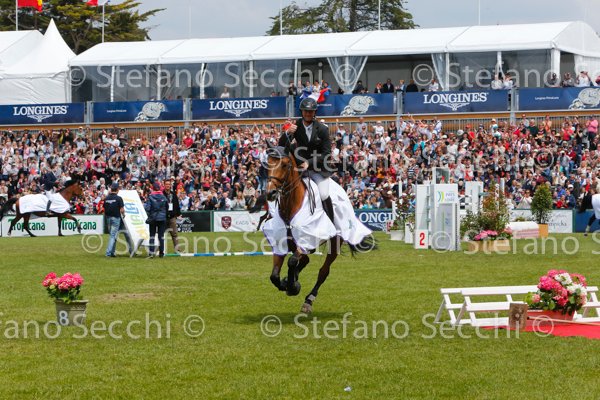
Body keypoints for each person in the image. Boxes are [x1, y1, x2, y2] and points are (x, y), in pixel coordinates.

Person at [279, 97, 334, 221]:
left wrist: (308, 162)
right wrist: (287, 133)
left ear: (314, 112)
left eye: (310, 111)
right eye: (305, 111)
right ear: (302, 112)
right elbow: (281, 146)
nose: (308, 113)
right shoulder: (295, 126)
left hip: (318, 169)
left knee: (324, 194)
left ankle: (331, 222)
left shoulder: (323, 129)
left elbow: (326, 154)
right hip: (300, 169)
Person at [145, 181, 168, 258]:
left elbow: (147, 208)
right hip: (162, 218)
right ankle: (161, 253)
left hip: (153, 218)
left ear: (153, 188)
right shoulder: (164, 197)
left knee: (152, 236)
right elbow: (167, 207)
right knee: (161, 236)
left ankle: (151, 253)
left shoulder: (150, 197)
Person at [104, 181, 127, 257]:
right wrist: (123, 215)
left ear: (111, 189)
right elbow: (122, 209)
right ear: (117, 189)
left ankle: (112, 252)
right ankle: (108, 253)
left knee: (112, 235)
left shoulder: (106, 198)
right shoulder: (119, 198)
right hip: (116, 218)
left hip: (108, 218)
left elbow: (104, 208)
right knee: (113, 236)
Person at [163, 177, 181, 253]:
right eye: (166, 184)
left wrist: (178, 214)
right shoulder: (161, 194)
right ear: (164, 185)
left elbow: (176, 204)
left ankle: (177, 250)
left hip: (172, 217)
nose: (168, 185)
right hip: (163, 217)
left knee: (174, 234)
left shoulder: (173, 194)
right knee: (162, 234)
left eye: (169, 184)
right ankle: (160, 250)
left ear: (170, 185)